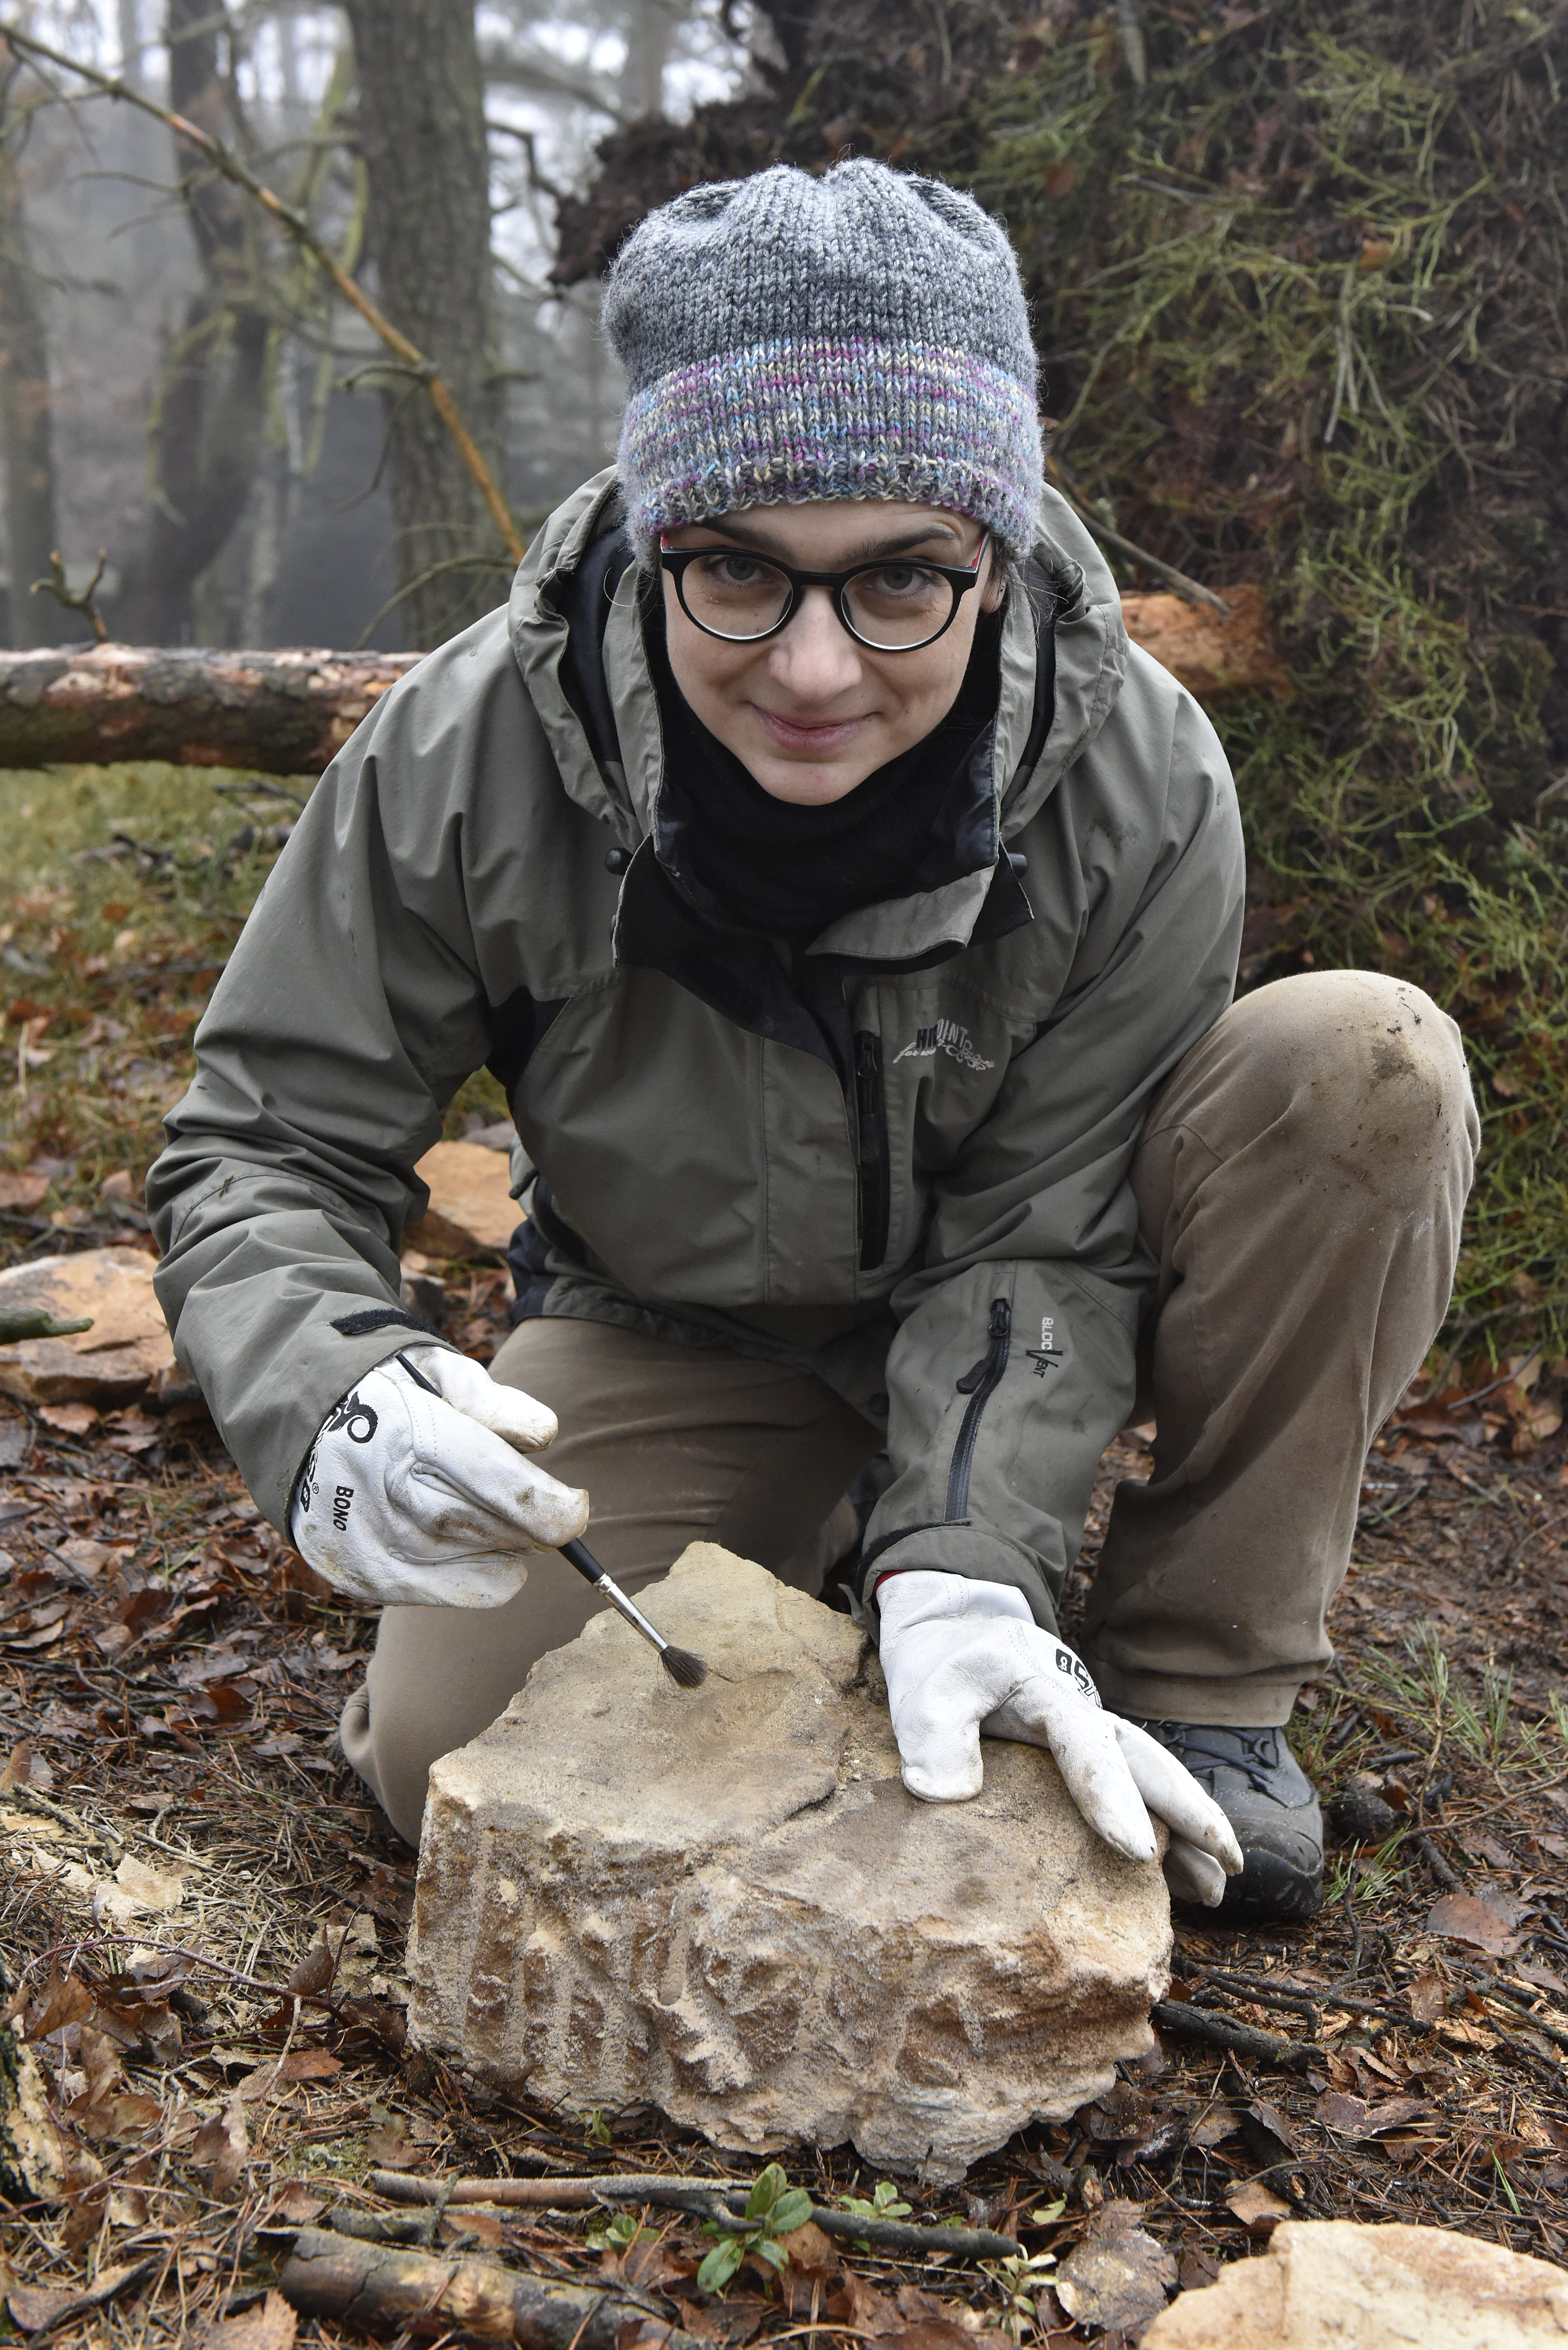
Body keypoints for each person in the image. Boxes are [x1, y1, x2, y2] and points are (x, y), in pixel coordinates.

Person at [148, 161, 1477, 1923]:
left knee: (1363, 1063)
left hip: (1035, 1291)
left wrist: (977, 1556)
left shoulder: (1137, 776)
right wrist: (332, 1388)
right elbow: (265, 1142)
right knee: (438, 1768)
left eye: (901, 583)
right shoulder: (469, 746)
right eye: (741, 575)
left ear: (994, 557)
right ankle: (847, 1537)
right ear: (657, 538)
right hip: (680, 1323)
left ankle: (1203, 1685)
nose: (819, 669)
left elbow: (1054, 1229)